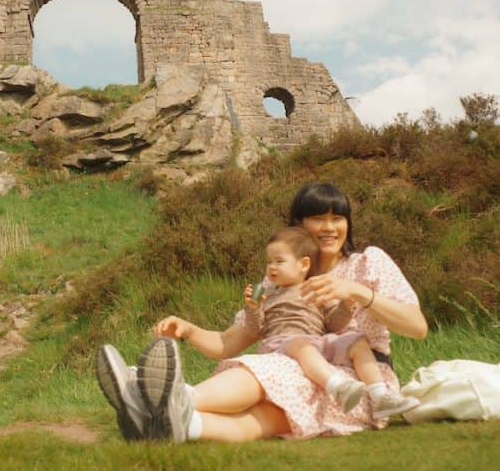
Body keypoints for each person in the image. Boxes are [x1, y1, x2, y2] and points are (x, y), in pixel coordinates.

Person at [96, 182, 428, 443]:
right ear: (298, 226)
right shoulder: (277, 281)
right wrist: (188, 330)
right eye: (318, 218)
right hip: (298, 373)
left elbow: (417, 327)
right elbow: (229, 343)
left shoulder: (367, 262)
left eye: (337, 218)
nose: (329, 228)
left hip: (357, 384)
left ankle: (155, 396)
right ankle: (175, 424)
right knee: (266, 418)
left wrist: (357, 292)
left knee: (276, 371)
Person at [242, 226, 418, 418]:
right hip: (281, 345)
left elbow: (334, 325)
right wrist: (253, 308)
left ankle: (380, 396)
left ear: (303, 264)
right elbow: (255, 329)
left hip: (316, 343)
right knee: (301, 344)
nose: (272, 267)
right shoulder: (268, 296)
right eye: (269, 262)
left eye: (279, 261)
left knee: (357, 340)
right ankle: (338, 387)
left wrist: (345, 306)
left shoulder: (317, 290)